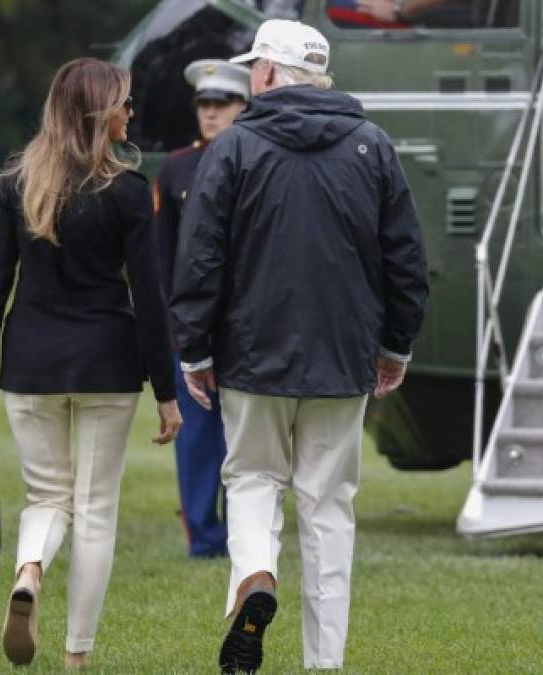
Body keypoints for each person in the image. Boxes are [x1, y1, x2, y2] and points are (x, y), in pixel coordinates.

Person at [170, 19, 429, 673]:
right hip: (344, 356)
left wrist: (194, 349)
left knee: (252, 478)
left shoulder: (234, 148)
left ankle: (256, 574)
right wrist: (394, 345)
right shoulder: (371, 146)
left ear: (265, 74)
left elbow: (199, 256)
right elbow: (406, 261)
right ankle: (324, 660)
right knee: (328, 503)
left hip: (251, 353)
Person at [0, 57, 182, 669]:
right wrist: (167, 391)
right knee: (97, 512)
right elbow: (150, 298)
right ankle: (76, 657)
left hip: (29, 361)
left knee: (48, 497)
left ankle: (30, 571)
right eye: (124, 103)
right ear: (100, 113)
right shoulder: (130, 192)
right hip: (108, 363)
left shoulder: (17, 182)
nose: (131, 111)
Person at [155, 59, 250, 559]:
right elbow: (163, 256)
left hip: (246, 327)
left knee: (246, 439)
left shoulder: (259, 159)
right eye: (204, 105)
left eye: (222, 105)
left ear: (244, 107)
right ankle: (204, 537)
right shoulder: (176, 168)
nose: (210, 114)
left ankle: (244, 533)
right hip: (191, 328)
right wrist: (172, 327)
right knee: (196, 442)